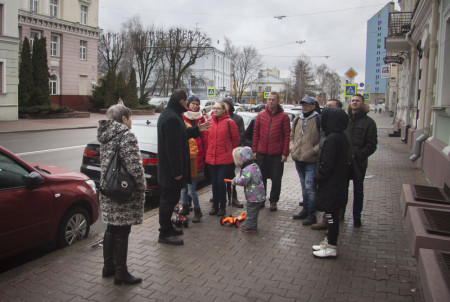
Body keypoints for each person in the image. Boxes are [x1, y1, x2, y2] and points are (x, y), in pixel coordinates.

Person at [97, 104, 146, 285]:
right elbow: (134, 167)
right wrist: (141, 187)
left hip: (109, 188)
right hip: (123, 191)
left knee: (111, 228)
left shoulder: (106, 134)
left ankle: (108, 267)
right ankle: (121, 272)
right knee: (123, 230)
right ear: (124, 119)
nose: (131, 122)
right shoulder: (126, 135)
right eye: (130, 118)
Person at [157, 89, 210, 245]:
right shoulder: (172, 118)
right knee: (168, 201)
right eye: (186, 101)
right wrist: (177, 172)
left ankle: (168, 228)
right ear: (181, 101)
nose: (187, 105)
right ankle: (164, 233)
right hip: (171, 171)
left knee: (171, 200)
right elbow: (173, 149)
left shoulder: (170, 114)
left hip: (169, 170)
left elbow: (181, 135)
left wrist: (197, 130)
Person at [312, 107, 350, 258]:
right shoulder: (339, 136)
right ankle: (329, 242)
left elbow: (327, 164)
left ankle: (331, 246)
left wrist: (318, 177)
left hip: (331, 184)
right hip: (335, 182)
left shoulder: (334, 138)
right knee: (331, 215)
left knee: (331, 216)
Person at [252, 92, 291, 211]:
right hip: (262, 153)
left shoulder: (284, 116)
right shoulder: (261, 115)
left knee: (276, 179)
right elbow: (256, 133)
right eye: (269, 99)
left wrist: (284, 153)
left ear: (278, 101)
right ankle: (261, 199)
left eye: (273, 99)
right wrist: (255, 150)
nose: (270, 102)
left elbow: (287, 136)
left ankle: (273, 201)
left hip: (276, 154)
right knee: (260, 179)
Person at [345, 93, 378, 227]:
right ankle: (340, 214)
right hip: (344, 162)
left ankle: (356, 217)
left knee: (358, 191)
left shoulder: (369, 122)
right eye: (353, 100)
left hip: (359, 163)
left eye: (358, 101)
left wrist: (359, 154)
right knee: (342, 189)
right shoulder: (345, 120)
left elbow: (372, 145)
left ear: (363, 104)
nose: (355, 102)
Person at [311, 98, 343, 231]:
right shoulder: (328, 130)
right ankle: (328, 226)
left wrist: (319, 175)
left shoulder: (336, 135)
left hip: (332, 175)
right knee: (328, 203)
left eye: (330, 107)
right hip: (325, 169)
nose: (326, 110)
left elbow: (330, 159)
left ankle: (331, 237)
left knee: (332, 204)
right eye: (326, 107)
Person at [290, 96, 321, 225]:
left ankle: (312, 213)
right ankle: (305, 209)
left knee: (310, 186)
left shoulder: (318, 119)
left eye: (307, 104)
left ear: (313, 106)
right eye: (303, 104)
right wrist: (292, 148)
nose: (304, 107)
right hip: (298, 158)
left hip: (311, 159)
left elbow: (322, 139)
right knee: (304, 186)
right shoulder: (297, 119)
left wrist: (313, 151)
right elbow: (291, 136)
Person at [206, 101, 240, 217]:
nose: (215, 110)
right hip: (212, 158)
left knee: (221, 182)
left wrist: (229, 152)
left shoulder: (229, 122)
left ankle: (222, 206)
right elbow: (207, 140)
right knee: (214, 182)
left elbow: (235, 140)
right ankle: (215, 205)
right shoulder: (210, 122)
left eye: (218, 108)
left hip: (225, 159)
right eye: (214, 108)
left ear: (224, 110)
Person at [179, 95, 208, 223]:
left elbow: (205, 137)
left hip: (196, 155)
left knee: (192, 189)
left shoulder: (201, 117)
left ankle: (197, 211)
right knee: (184, 188)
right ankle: (185, 207)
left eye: (197, 104)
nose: (195, 106)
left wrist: (205, 153)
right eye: (193, 103)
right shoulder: (182, 116)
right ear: (188, 104)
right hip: (185, 155)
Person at [231, 147, 266, 233]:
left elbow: (243, 181)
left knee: (251, 211)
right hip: (258, 194)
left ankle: (251, 227)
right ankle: (250, 225)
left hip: (253, 196)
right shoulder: (254, 165)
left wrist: (235, 180)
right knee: (253, 211)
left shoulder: (247, 169)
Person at [222, 97, 245, 208]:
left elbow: (241, 135)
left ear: (230, 105)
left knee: (231, 176)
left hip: (231, 153)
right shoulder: (217, 117)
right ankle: (218, 197)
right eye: (223, 103)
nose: (224, 105)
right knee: (218, 177)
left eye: (226, 103)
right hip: (220, 153)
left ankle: (233, 198)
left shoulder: (237, 119)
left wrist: (233, 147)